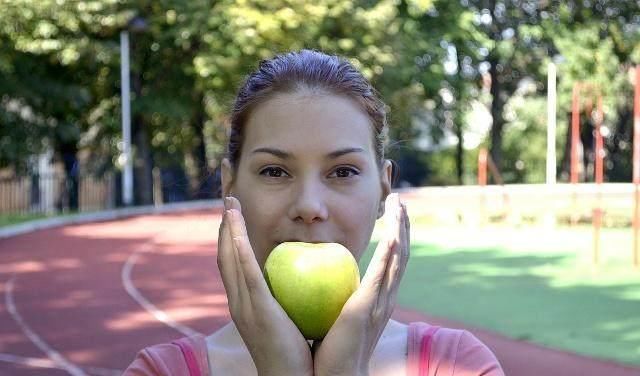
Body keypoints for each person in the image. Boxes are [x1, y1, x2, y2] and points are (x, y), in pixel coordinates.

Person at [124, 49, 504, 376]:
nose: (309, 206)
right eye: (274, 171)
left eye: (343, 172)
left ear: (383, 190)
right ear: (230, 186)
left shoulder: (456, 365)